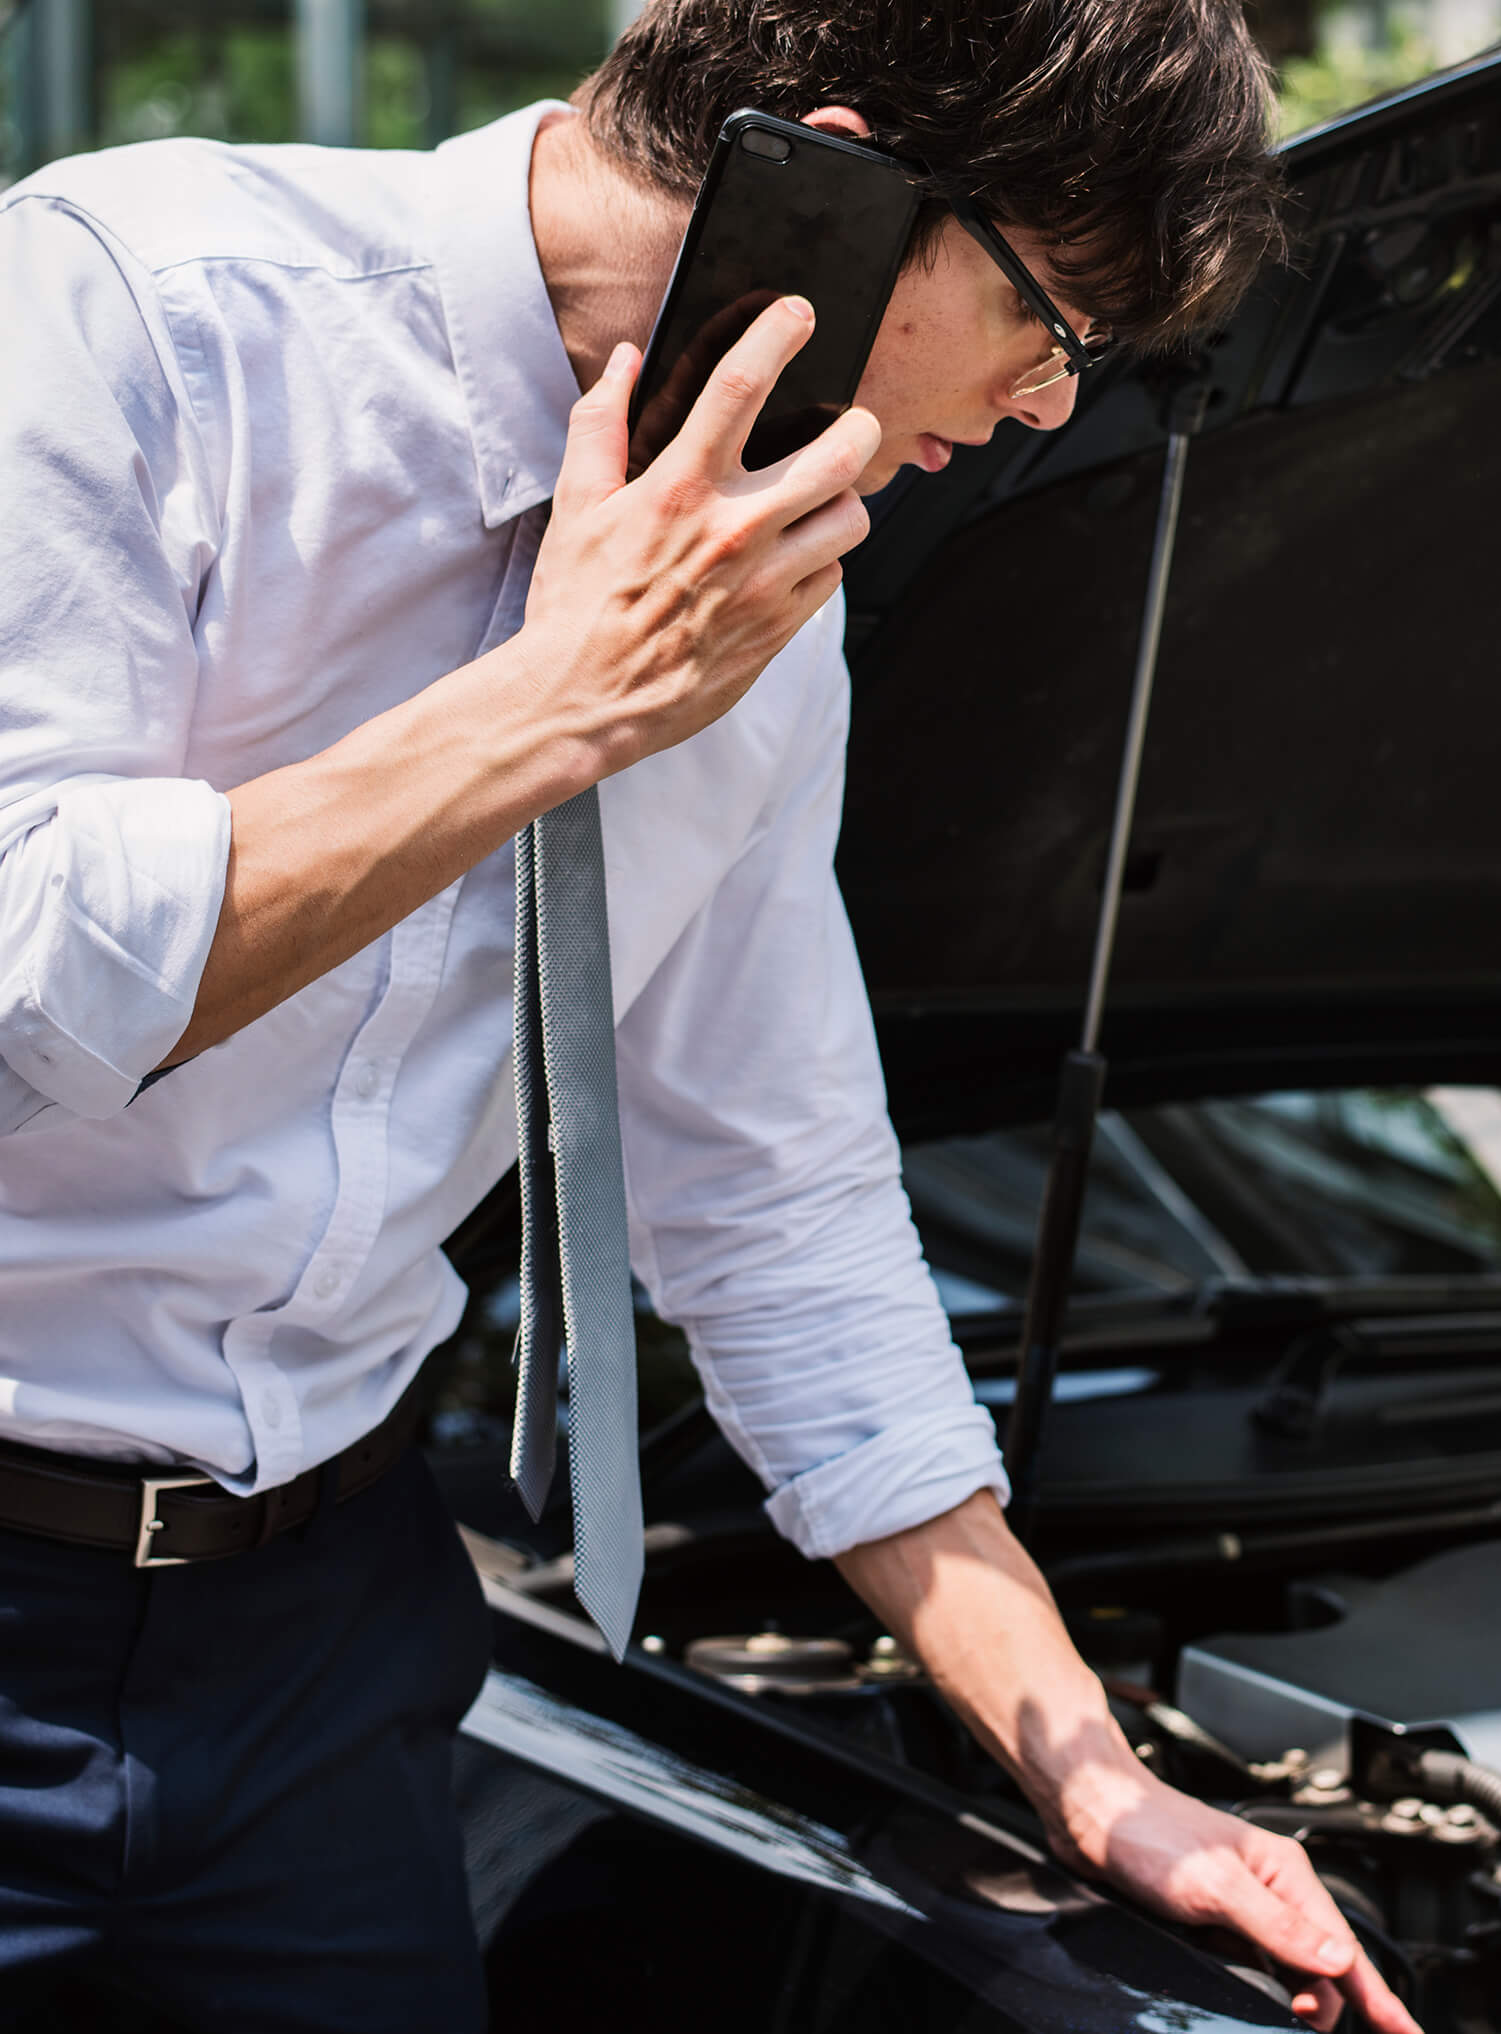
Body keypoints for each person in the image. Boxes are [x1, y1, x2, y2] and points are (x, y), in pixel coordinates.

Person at [0, 2, 1420, 2028]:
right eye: (1054, 320)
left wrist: (1085, 1767)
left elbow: (778, 1207)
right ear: (831, 189)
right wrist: (550, 706)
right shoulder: (133, 311)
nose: (1043, 409)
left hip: (324, 1650)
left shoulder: (769, 594)